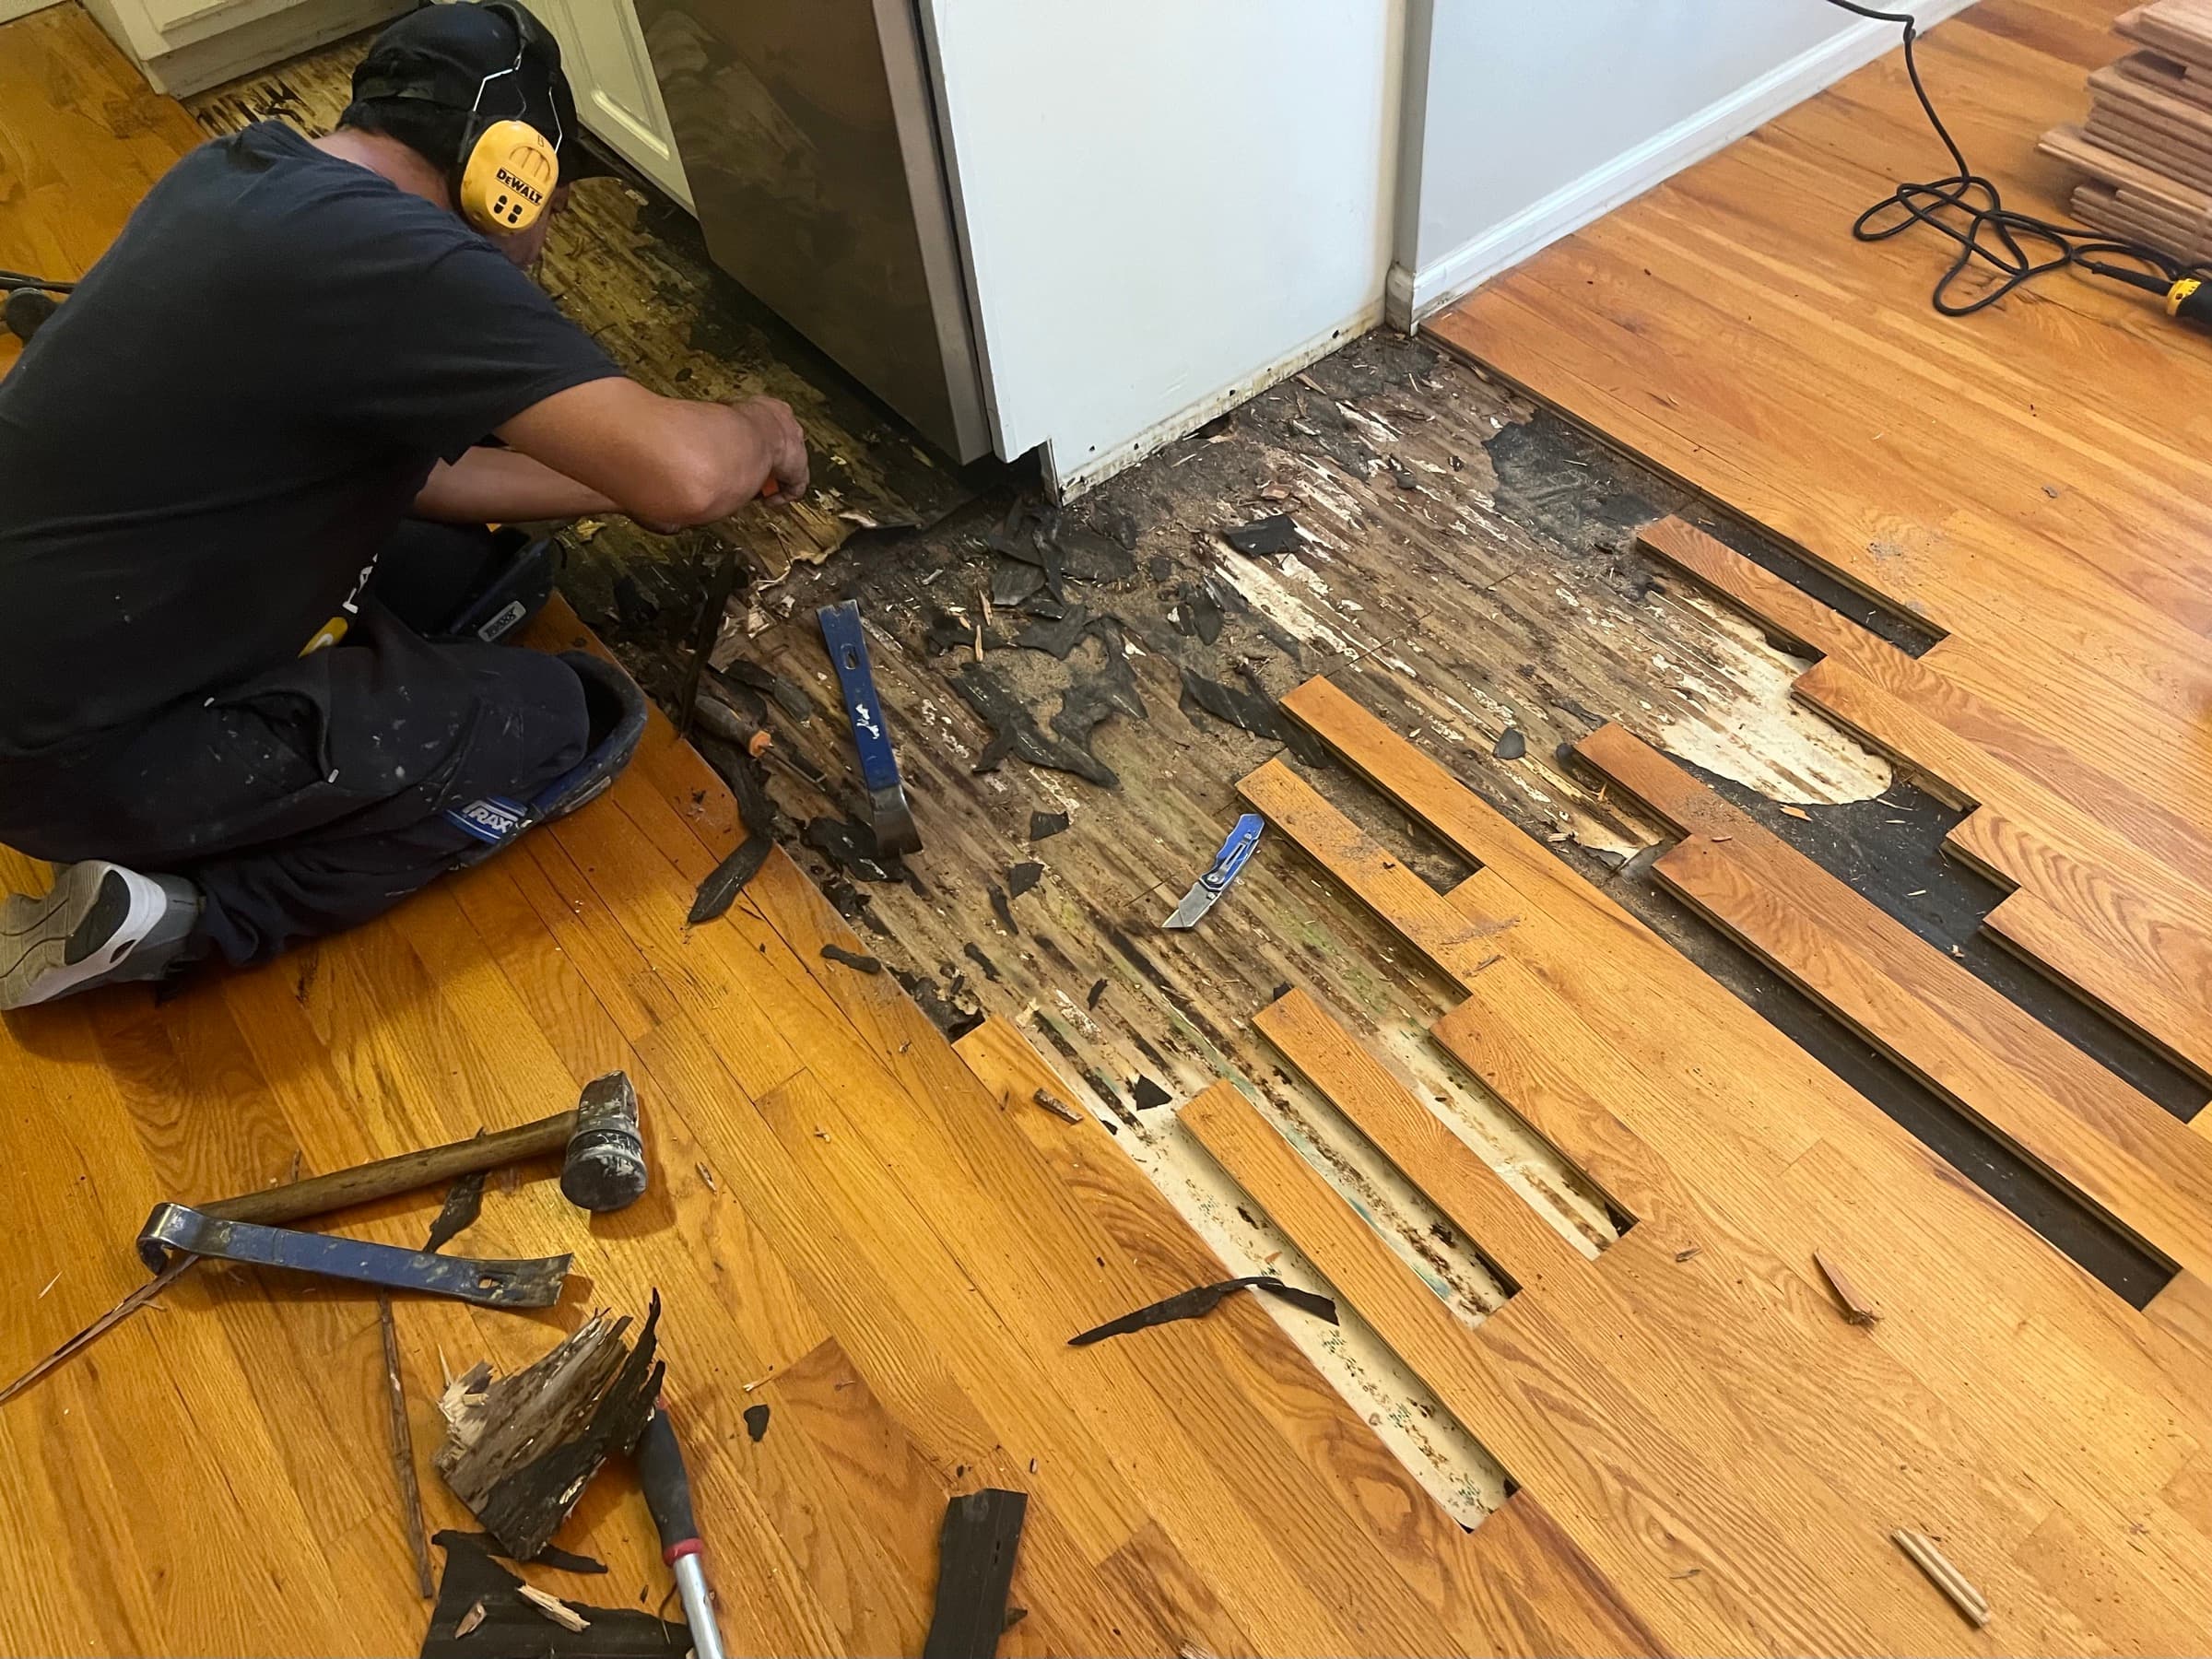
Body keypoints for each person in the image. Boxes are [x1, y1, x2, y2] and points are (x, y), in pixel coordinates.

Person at [0, 0, 806, 1012]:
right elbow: (687, 475)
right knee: (572, 715)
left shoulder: (241, 172)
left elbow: (428, 477)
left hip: (50, 654)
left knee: (498, 574)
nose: (550, 237)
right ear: (510, 176)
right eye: (554, 201)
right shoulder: (410, 267)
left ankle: (285, 715)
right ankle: (191, 919)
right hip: (77, 759)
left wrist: (621, 485)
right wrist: (756, 430)